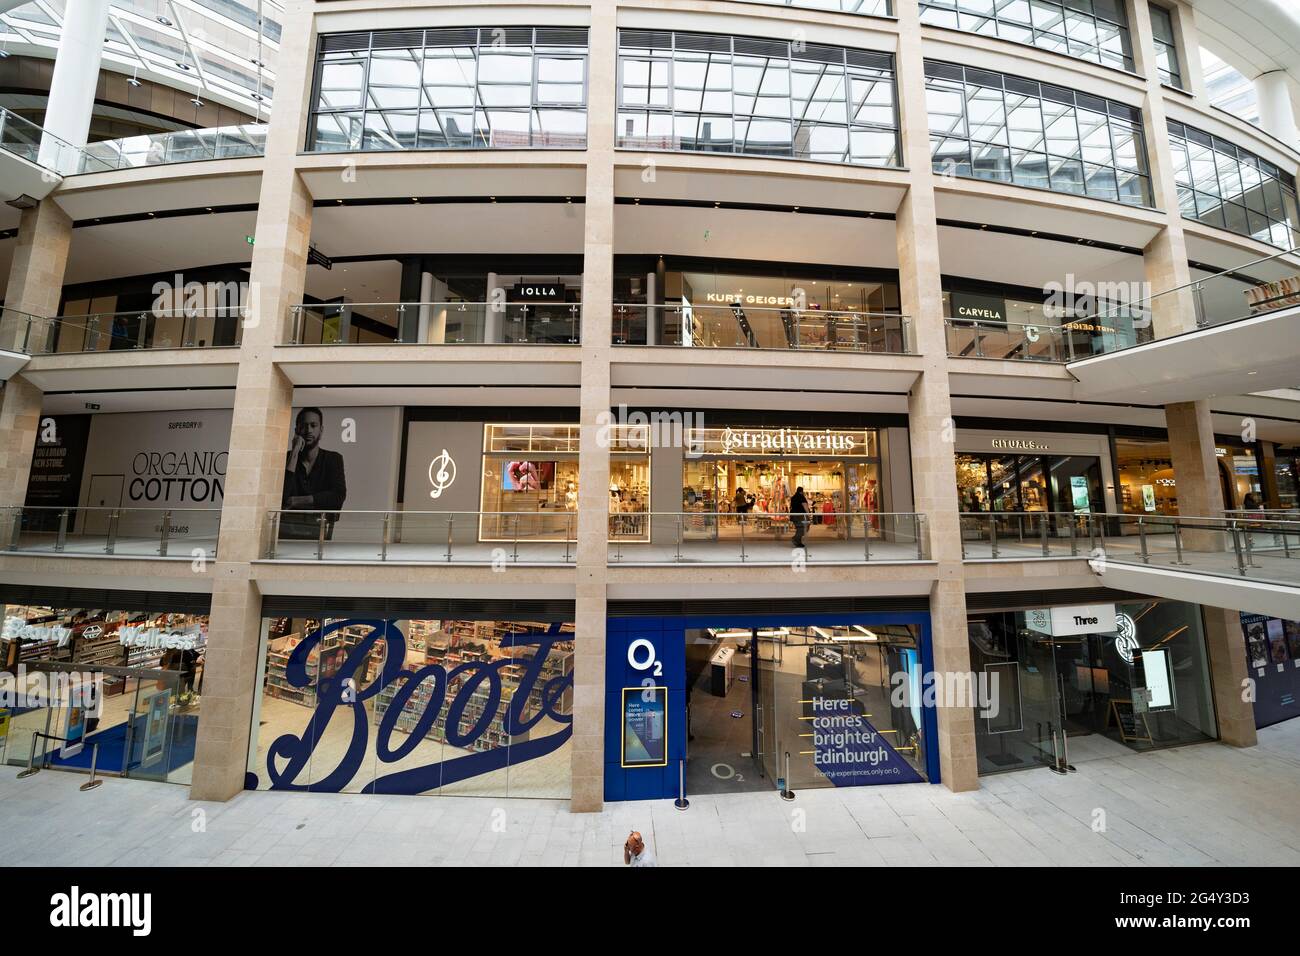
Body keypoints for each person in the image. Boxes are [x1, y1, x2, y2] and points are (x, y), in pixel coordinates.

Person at [281, 407, 348, 540]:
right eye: (303, 426)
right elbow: (282, 497)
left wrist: (295, 501)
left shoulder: (333, 459)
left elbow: (338, 496)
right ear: (296, 430)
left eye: (313, 425)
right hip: (286, 531)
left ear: (321, 430)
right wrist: (294, 452)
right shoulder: (285, 459)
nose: (308, 430)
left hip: (319, 531)